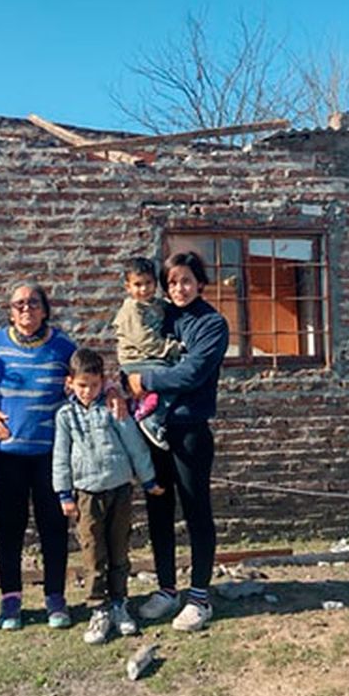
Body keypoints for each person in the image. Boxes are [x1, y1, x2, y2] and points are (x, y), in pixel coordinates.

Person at [0, 280, 121, 631]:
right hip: (3, 454)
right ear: (10, 310)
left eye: (33, 303)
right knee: (9, 526)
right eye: (19, 304)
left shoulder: (62, 346)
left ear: (45, 308)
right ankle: (10, 600)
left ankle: (55, 597)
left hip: (51, 455)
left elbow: (89, 375)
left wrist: (112, 390)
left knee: (53, 525)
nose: (26, 309)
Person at [126, 251, 230, 632]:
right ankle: (167, 589)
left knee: (196, 509)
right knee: (158, 507)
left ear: (199, 283)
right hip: (153, 429)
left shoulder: (211, 324)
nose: (179, 288)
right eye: (171, 282)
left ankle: (199, 595)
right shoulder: (160, 317)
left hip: (189, 431)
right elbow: (134, 353)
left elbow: (192, 373)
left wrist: (145, 381)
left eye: (186, 280)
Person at [52, 347, 164, 644]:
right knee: (92, 551)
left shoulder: (114, 409)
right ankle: (98, 607)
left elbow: (134, 445)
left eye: (94, 384)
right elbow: (60, 455)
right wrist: (64, 493)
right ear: (70, 383)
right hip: (87, 493)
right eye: (81, 385)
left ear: (104, 382)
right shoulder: (65, 416)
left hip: (119, 489)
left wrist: (148, 477)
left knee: (119, 547)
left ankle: (119, 603)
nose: (88, 391)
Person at [111, 257, 183, 450]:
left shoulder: (156, 304)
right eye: (138, 285)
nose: (144, 289)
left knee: (172, 376)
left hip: (150, 360)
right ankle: (152, 419)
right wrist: (172, 349)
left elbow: (170, 309)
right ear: (128, 287)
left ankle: (149, 402)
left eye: (148, 283)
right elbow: (145, 340)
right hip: (136, 361)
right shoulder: (131, 310)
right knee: (172, 378)